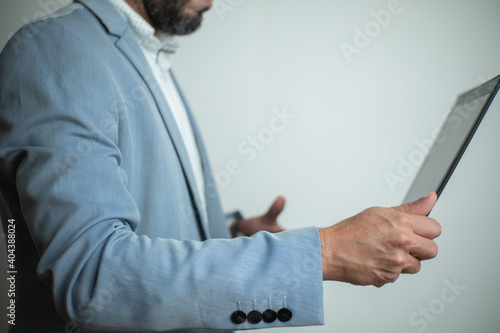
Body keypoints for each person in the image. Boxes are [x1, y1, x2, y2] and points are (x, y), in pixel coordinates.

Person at [0, 0, 442, 332]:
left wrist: (231, 233)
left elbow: (135, 208)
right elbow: (92, 272)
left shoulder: (147, 56)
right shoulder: (56, 48)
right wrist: (323, 253)